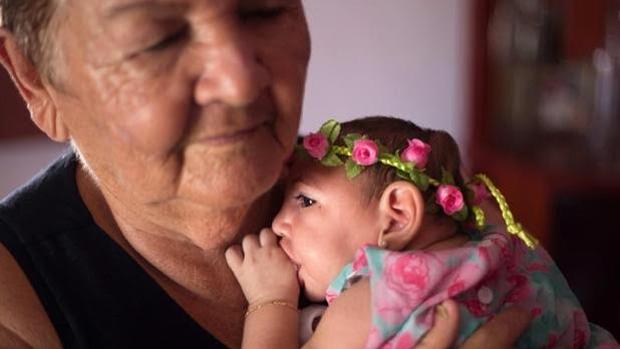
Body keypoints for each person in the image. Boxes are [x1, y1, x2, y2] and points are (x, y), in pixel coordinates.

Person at [0, 1, 532, 348]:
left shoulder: (388, 201)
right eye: (155, 39)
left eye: (263, 7)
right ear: (34, 79)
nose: (239, 80)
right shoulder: (16, 303)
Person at [226, 117, 619, 348]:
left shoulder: (384, 294)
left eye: (306, 201)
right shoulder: (508, 250)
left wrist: (270, 300)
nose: (278, 223)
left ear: (397, 215)